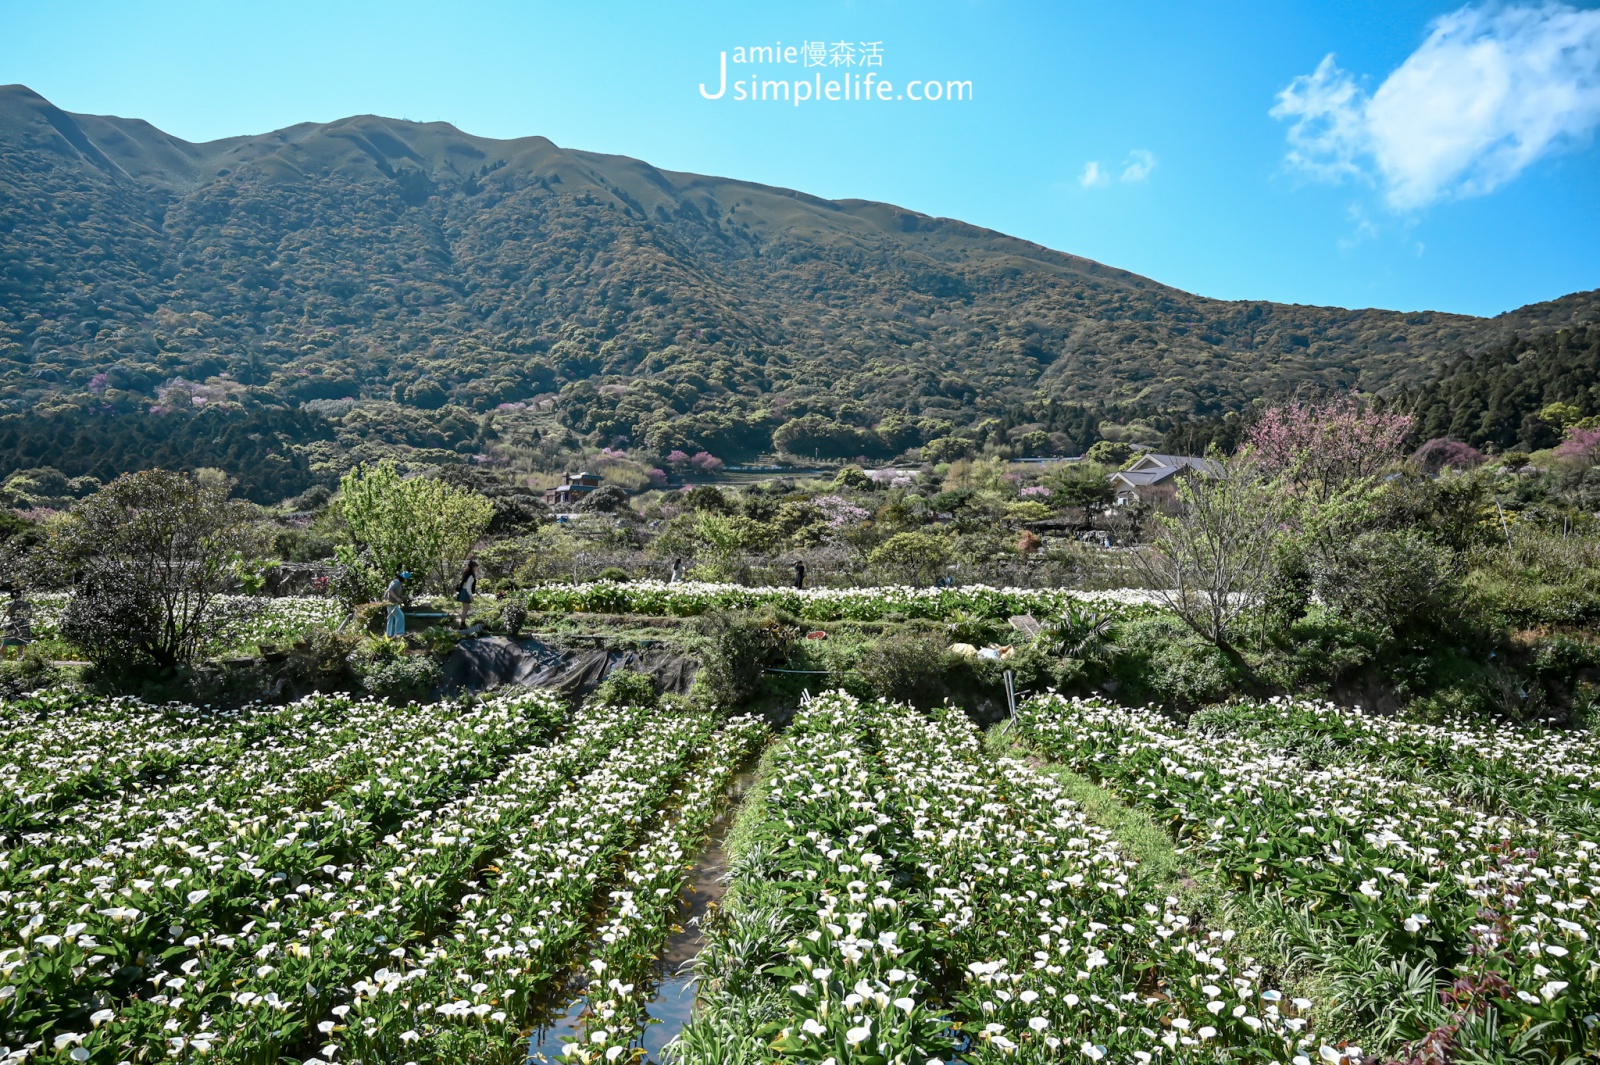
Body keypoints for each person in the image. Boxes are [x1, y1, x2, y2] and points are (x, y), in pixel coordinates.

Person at [1, 588, 31, 659]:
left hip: (12, 623)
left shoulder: (9, 604)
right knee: (21, 640)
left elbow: (8, 614)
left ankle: (0, 654)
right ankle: (20, 656)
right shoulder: (25, 603)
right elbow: (29, 614)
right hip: (23, 622)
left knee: (7, 640)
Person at [385, 570, 411, 638]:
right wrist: (396, 598)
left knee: (391, 618)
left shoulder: (396, 582)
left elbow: (395, 593)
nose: (406, 580)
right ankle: (399, 633)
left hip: (389, 602)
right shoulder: (397, 582)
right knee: (400, 616)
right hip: (392, 603)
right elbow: (390, 590)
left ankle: (389, 634)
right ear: (403, 578)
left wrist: (405, 597)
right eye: (406, 579)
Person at [455, 560, 479, 627]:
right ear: (473, 567)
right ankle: (462, 624)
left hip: (463, 591)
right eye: (477, 567)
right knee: (465, 609)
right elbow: (468, 587)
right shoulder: (471, 576)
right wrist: (471, 596)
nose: (477, 568)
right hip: (466, 592)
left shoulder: (467, 574)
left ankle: (463, 622)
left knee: (467, 608)